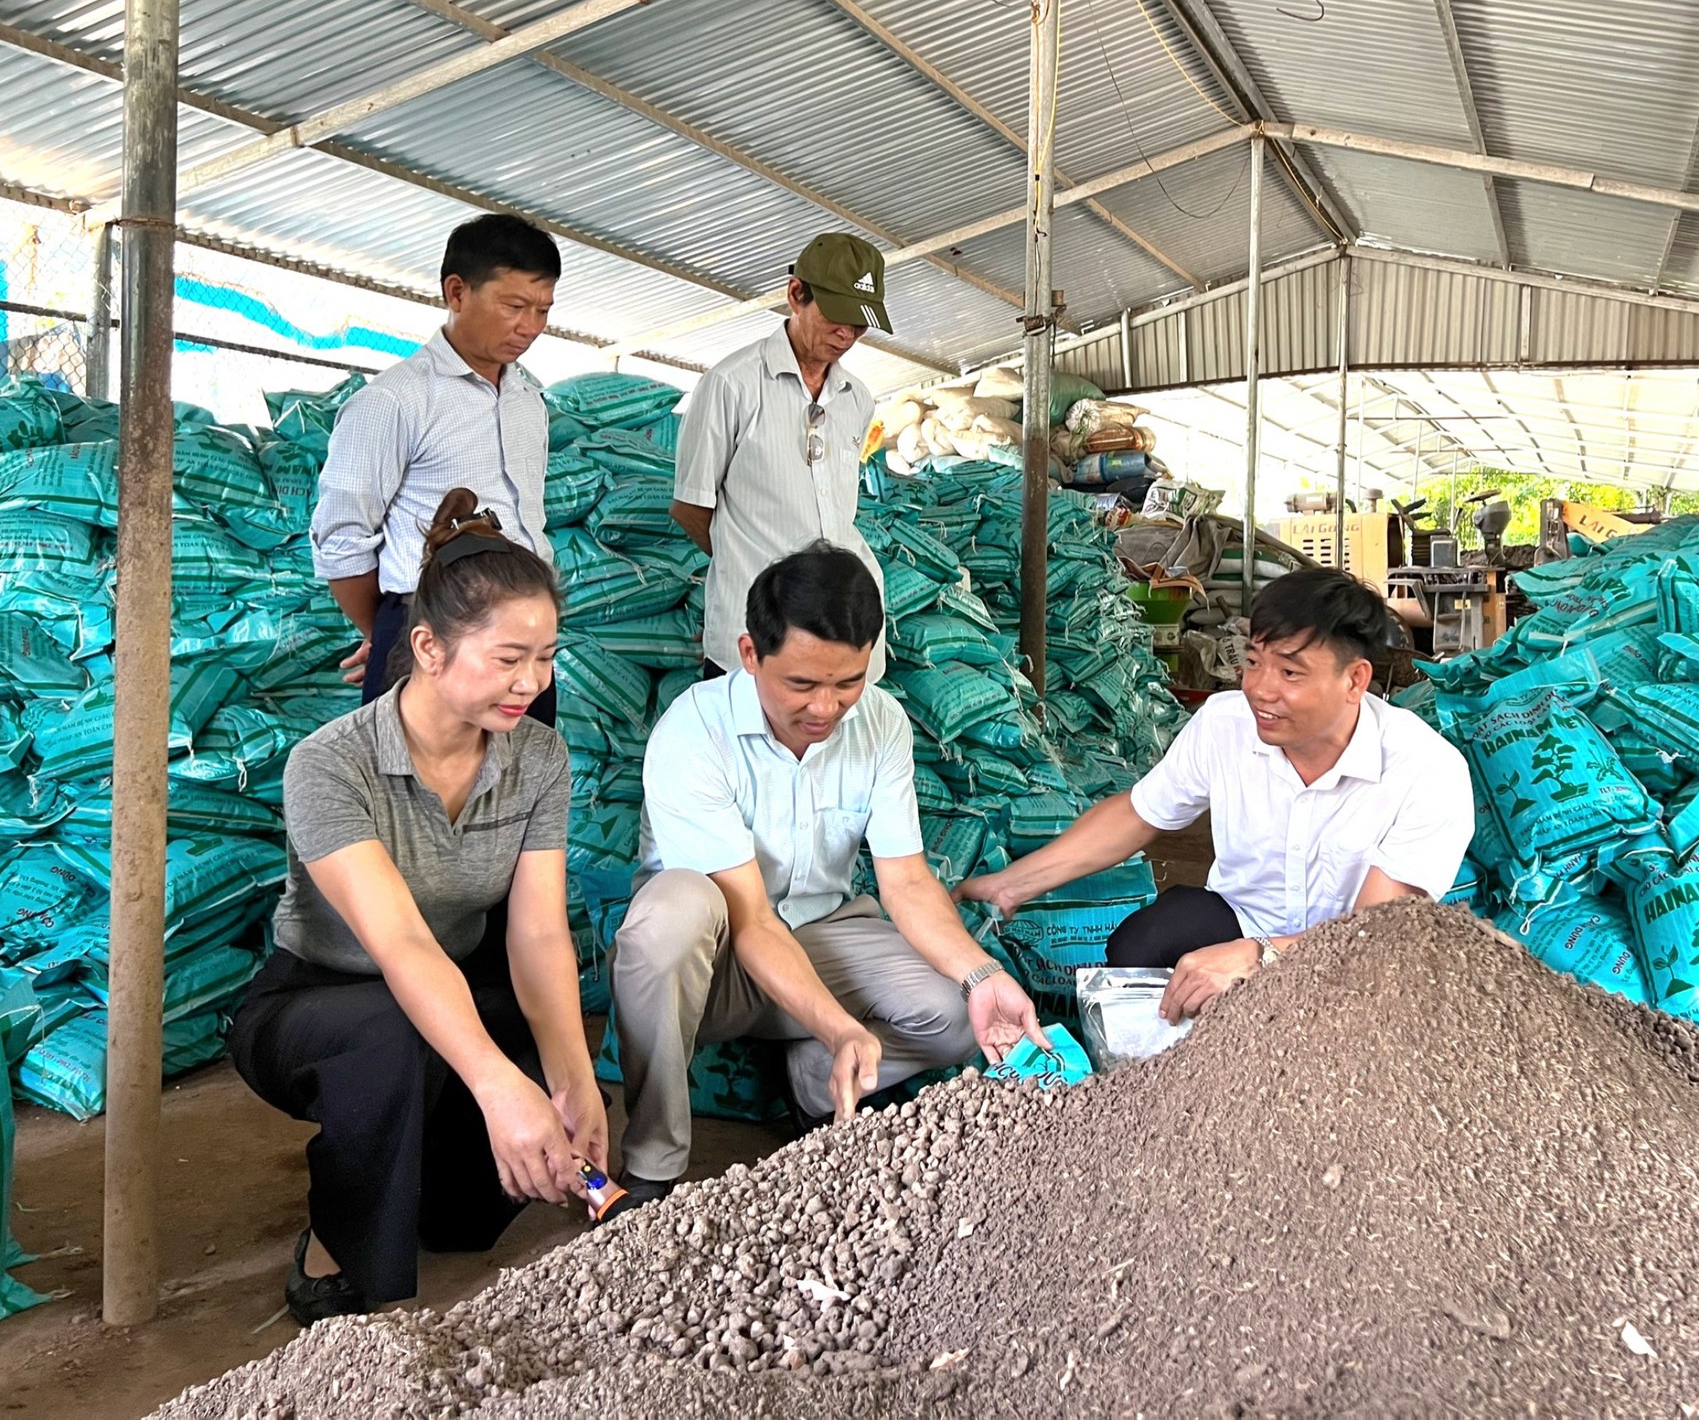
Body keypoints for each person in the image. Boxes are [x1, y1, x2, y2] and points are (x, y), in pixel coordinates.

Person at [230, 489, 604, 1327]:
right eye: (509, 657)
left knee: (472, 1210)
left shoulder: (539, 756)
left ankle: (410, 1190)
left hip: (455, 980)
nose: (531, 682)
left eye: (546, 657)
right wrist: (501, 1091)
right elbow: (399, 944)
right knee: (393, 1038)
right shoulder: (330, 765)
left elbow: (538, 929)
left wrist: (570, 1077)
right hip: (320, 999)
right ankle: (345, 1256)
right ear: (428, 647)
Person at [610, 543, 1044, 1202]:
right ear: (750, 654)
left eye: (848, 682)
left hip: (821, 936)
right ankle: (652, 1166)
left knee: (958, 1015)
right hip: (716, 958)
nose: (826, 708)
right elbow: (751, 919)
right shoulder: (694, 731)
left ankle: (815, 1082)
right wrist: (841, 1024)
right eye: (802, 685)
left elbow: (904, 880)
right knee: (668, 918)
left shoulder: (881, 724)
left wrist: (983, 975)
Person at [957, 567, 1474, 1025]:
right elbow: (1140, 813)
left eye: (1291, 673)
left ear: (1354, 680)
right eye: (1253, 662)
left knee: (1356, 1014)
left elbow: (1374, 932)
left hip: (1356, 956)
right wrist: (1011, 886)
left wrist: (1260, 957)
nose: (1261, 689)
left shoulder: (1426, 770)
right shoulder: (1226, 724)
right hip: (1242, 916)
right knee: (1139, 947)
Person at [311, 213, 562, 722]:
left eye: (542, 309)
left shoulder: (528, 402)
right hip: (432, 639)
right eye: (514, 306)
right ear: (456, 292)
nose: (530, 327)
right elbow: (342, 539)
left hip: (525, 645)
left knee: (520, 789)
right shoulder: (394, 401)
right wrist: (393, 627)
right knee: (414, 795)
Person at [669, 233, 893, 686]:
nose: (846, 334)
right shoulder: (732, 384)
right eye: (837, 317)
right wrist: (752, 565)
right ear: (796, 294)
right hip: (758, 631)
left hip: (840, 631)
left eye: (859, 323)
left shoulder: (856, 399)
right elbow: (690, 507)